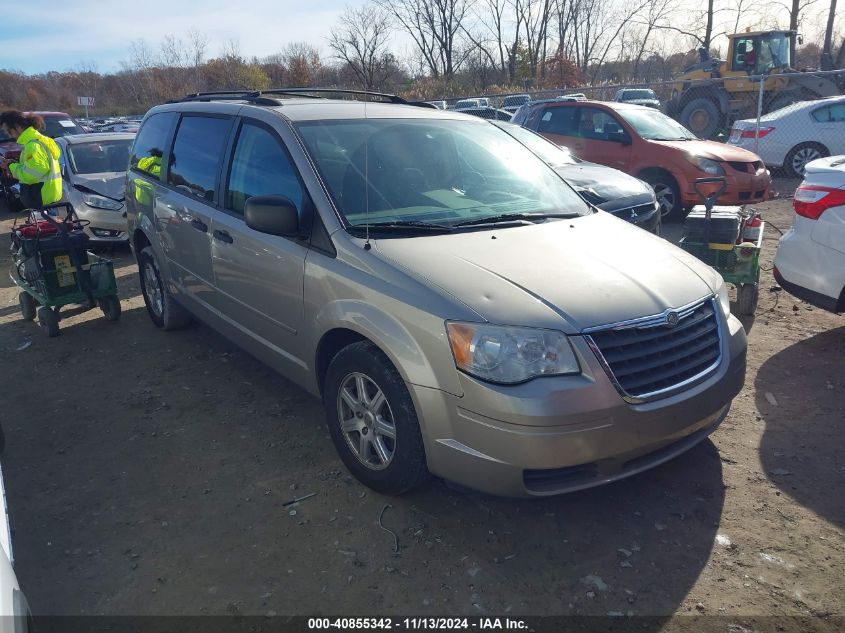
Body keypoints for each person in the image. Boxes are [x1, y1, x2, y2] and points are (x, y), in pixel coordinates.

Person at [0, 110, 62, 210]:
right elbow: (36, 167)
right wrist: (13, 163)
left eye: (8, 130)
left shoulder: (33, 146)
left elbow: (32, 175)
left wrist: (10, 166)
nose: (9, 135)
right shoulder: (41, 140)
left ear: (18, 127)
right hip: (48, 196)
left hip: (42, 198)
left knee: (47, 225)